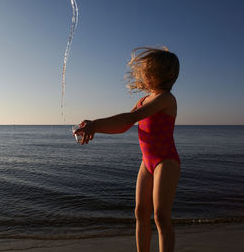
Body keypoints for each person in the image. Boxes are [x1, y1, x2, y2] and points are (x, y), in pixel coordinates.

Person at [74, 47, 181, 252]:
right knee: (140, 212)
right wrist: (96, 127)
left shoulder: (166, 99)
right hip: (147, 163)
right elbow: (123, 125)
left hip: (165, 162)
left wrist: (95, 124)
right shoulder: (143, 100)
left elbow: (130, 118)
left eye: (149, 72)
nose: (145, 76)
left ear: (162, 75)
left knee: (161, 216)